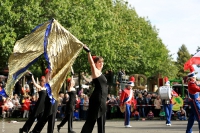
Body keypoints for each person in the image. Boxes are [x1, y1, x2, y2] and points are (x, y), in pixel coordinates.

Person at [80, 45, 108, 133]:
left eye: (102, 62)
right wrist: (88, 52)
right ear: (95, 63)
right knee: (91, 121)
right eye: (99, 62)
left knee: (100, 121)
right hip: (98, 99)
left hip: (100, 99)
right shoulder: (95, 71)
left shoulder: (100, 73)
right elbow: (91, 63)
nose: (101, 64)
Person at [30, 69, 57, 133]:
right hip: (49, 101)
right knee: (45, 117)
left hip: (55, 100)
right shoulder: (48, 82)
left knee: (52, 118)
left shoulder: (55, 79)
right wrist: (49, 70)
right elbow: (47, 80)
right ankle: (35, 131)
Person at [185, 65, 200, 133]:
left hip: (194, 101)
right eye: (194, 78)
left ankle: (188, 131)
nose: (195, 79)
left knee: (191, 117)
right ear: (192, 78)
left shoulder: (192, 83)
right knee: (199, 116)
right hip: (195, 102)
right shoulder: (192, 84)